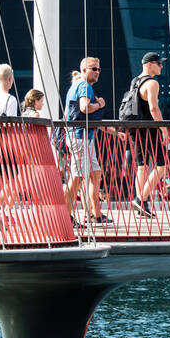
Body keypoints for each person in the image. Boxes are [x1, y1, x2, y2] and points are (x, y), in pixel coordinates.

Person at [64, 56, 111, 228]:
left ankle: (94, 213)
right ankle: (66, 217)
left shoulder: (77, 86)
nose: (97, 72)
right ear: (83, 70)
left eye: (98, 69)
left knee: (95, 173)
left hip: (85, 137)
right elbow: (85, 108)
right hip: (80, 137)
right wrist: (99, 104)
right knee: (77, 177)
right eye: (93, 68)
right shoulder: (84, 85)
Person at [123, 51, 169, 218]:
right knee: (161, 166)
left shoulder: (135, 81)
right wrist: (163, 128)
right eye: (159, 63)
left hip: (135, 128)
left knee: (142, 167)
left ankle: (141, 206)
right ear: (149, 64)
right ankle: (140, 198)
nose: (161, 66)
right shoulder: (152, 83)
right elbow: (153, 108)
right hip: (150, 129)